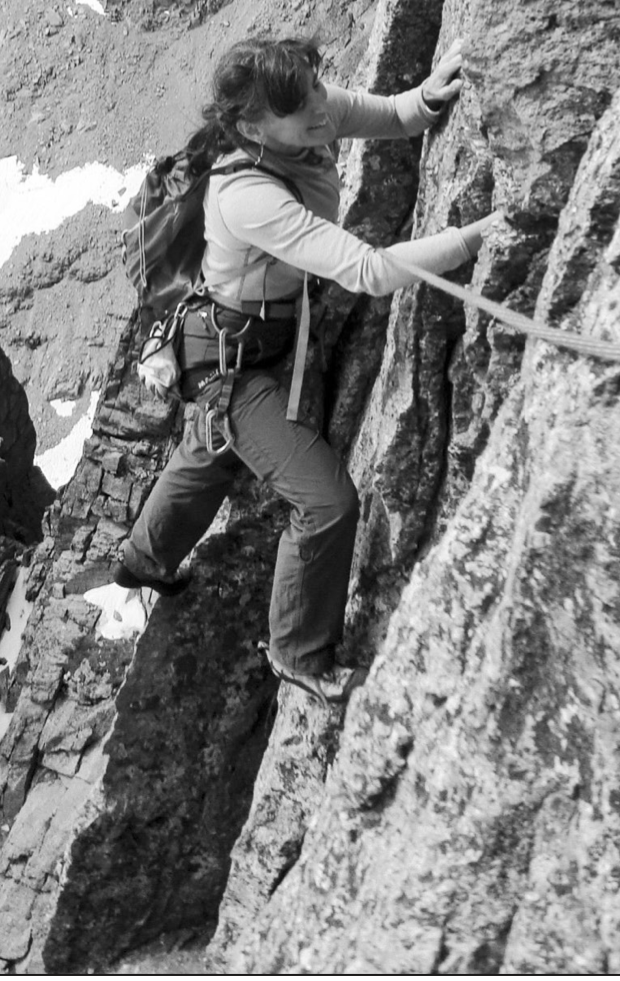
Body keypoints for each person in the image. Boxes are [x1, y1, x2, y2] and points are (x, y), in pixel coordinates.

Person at [114, 35, 496, 705]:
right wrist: (475, 237)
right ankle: (296, 651)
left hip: (246, 338)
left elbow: (397, 116)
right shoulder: (248, 195)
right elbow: (372, 272)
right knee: (325, 504)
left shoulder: (300, 113)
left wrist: (427, 97)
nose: (323, 107)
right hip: (232, 365)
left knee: (212, 453)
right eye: (305, 105)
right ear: (254, 128)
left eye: (319, 89)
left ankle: (145, 558)